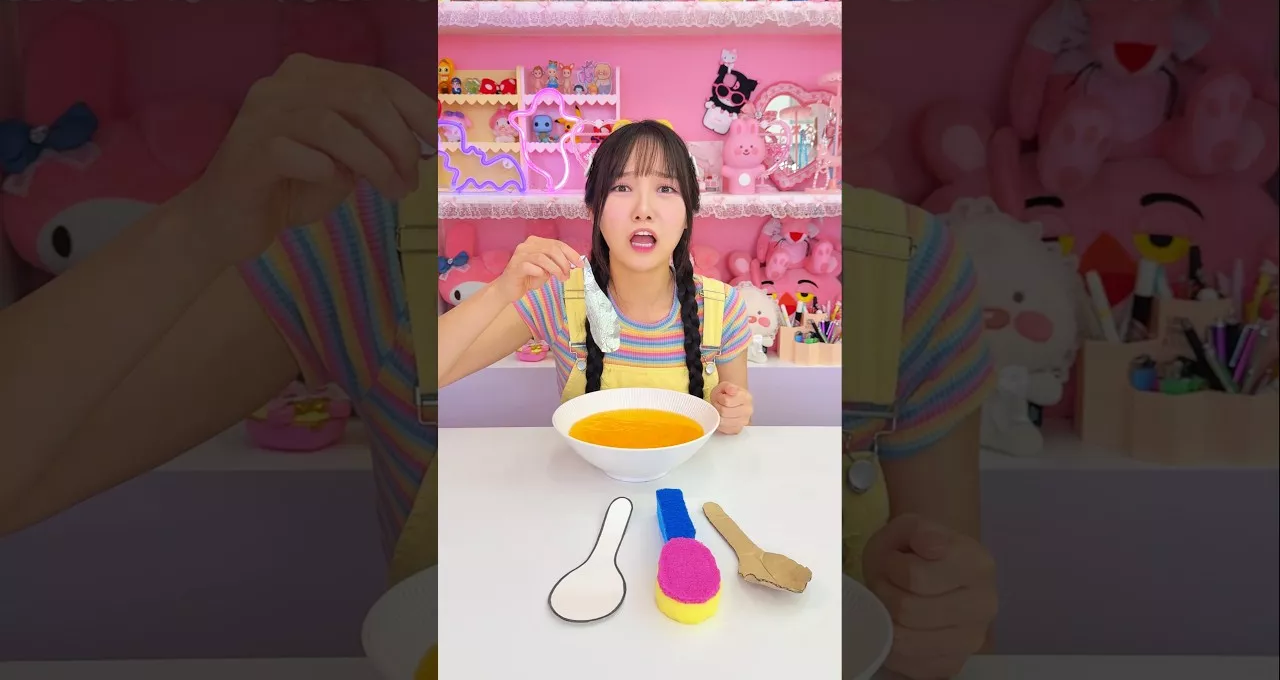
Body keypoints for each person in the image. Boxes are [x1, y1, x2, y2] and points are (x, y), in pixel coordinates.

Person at [0, 55, 997, 679]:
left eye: (664, 189)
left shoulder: (894, 275)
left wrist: (932, 615)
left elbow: (941, 614)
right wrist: (199, 229)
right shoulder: (381, 244)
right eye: (623, 187)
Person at [437, 120, 754, 428]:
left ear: (688, 214)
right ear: (593, 209)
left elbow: (738, 423)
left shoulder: (721, 308)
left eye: (666, 188)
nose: (643, 210)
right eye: (622, 187)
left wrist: (734, 413)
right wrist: (500, 291)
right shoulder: (559, 297)